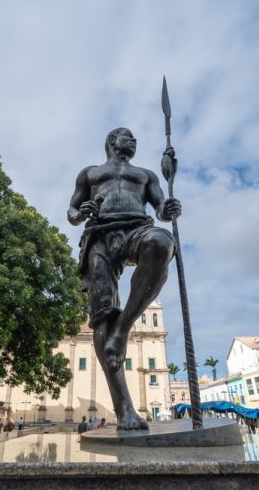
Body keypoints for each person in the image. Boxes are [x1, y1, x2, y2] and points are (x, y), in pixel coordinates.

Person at [68, 127, 180, 430]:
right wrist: (80, 214)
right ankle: (125, 410)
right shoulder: (90, 173)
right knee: (102, 317)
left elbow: (160, 210)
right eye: (126, 136)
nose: (133, 140)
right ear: (111, 141)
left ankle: (124, 328)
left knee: (161, 241)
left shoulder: (146, 175)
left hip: (136, 229)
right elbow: (72, 210)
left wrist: (169, 208)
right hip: (100, 237)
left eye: (134, 138)